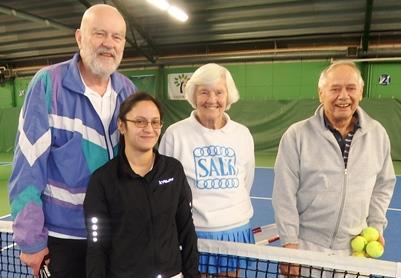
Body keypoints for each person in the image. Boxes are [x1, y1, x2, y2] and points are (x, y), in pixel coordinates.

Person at [8, 4, 136, 278]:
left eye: (117, 37)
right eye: (99, 34)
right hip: (63, 239)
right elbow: (28, 167)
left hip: (115, 234)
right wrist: (32, 240)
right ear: (79, 37)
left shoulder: (128, 91)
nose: (108, 44)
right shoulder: (47, 85)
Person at [272, 61, 396, 276]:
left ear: (361, 92)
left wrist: (375, 227)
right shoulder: (296, 135)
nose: (343, 96)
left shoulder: (378, 134)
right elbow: (284, 194)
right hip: (306, 247)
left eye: (351, 88)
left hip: (356, 249)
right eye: (335, 89)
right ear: (321, 94)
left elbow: (383, 186)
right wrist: (290, 244)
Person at [83, 92, 199, 277]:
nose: (149, 129)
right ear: (122, 125)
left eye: (155, 122)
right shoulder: (102, 180)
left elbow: (187, 230)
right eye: (140, 121)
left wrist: (192, 275)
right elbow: (97, 244)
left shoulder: (173, 170)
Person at [159, 63, 255, 277]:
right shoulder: (175, 135)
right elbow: (167, 190)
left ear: (228, 96)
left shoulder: (242, 134)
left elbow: (246, 180)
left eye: (219, 92)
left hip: (235, 232)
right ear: (194, 95)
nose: (212, 99)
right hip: (194, 235)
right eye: (204, 92)